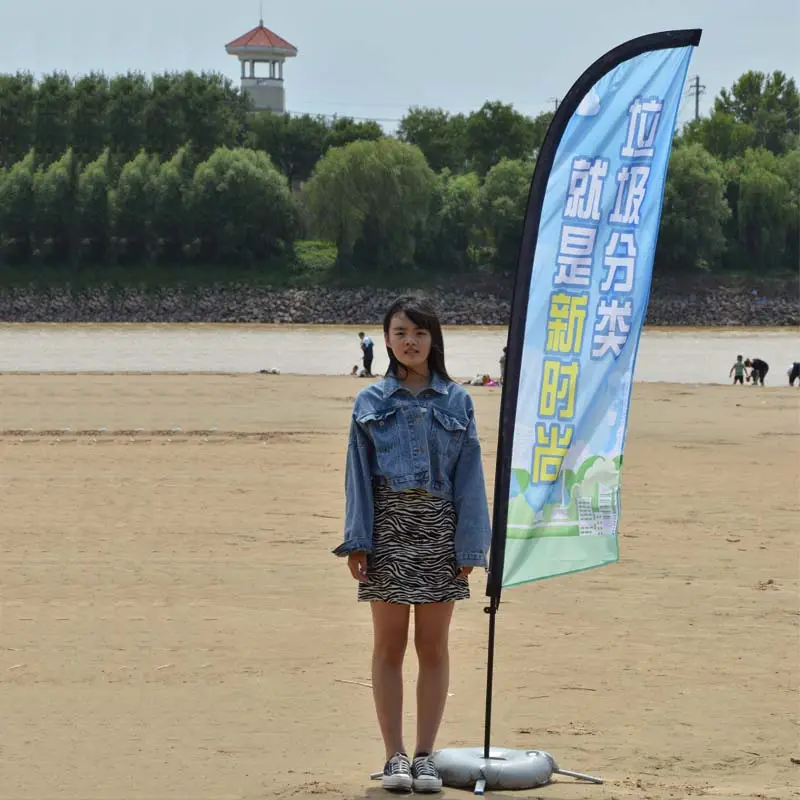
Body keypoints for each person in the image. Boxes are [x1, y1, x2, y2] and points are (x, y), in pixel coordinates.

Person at [334, 295, 491, 794]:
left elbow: (471, 480)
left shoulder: (457, 401)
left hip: (439, 532)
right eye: (401, 333)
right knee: (388, 645)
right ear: (386, 340)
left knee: (433, 646)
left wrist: (469, 549)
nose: (410, 342)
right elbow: (356, 477)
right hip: (387, 530)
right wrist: (358, 541)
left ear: (434, 339)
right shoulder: (370, 402)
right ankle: (394, 757)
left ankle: (426, 756)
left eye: (420, 333)